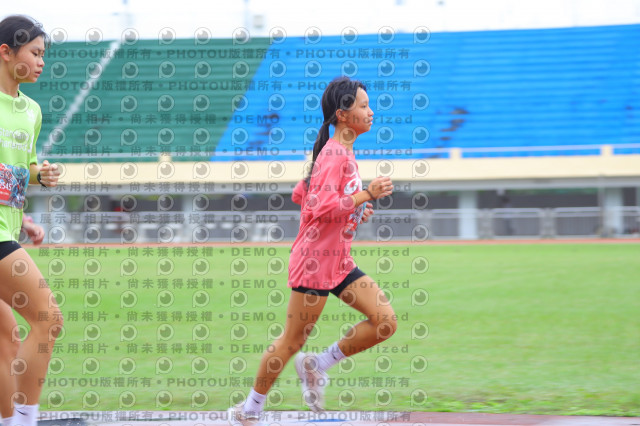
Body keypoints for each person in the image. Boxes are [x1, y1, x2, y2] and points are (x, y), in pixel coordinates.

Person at [228, 76, 397, 425]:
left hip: (338, 261)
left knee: (384, 322)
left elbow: (301, 195)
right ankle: (249, 410)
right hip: (315, 263)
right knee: (291, 340)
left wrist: (355, 208)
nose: (371, 112)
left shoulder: (340, 152)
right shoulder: (335, 154)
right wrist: (365, 195)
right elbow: (319, 207)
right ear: (342, 114)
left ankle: (317, 364)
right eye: (364, 106)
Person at [0, 15, 62, 426]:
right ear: (6, 52)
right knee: (48, 319)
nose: (41, 62)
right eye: (35, 53)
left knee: (7, 341)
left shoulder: (31, 111)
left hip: (7, 229)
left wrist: (41, 175)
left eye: (44, 55)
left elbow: (21, 168)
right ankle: (25, 421)